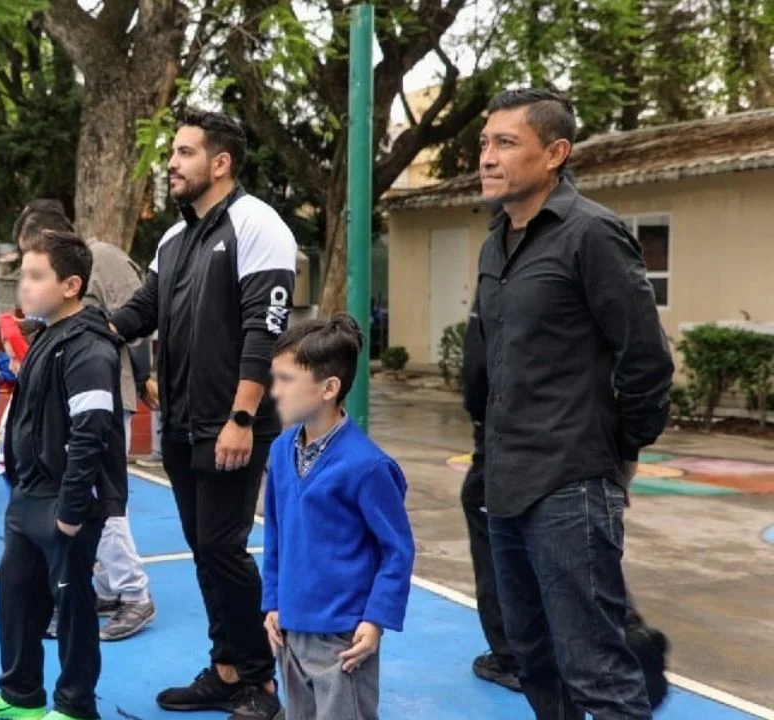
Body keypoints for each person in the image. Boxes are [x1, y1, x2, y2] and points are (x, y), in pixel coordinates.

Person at [475, 88, 675, 719]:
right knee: (533, 659)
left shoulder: (592, 233)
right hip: (505, 483)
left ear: (555, 153)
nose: (486, 156)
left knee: (597, 671)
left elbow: (646, 359)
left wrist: (619, 456)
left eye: (506, 143)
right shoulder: (495, 241)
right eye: (484, 142)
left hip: (571, 484)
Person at [109, 108, 296, 720]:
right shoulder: (174, 237)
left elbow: (262, 332)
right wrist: (86, 329)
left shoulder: (257, 224)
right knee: (202, 546)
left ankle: (260, 683)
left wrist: (242, 419)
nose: (171, 163)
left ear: (220, 163)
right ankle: (225, 668)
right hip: (184, 421)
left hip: (233, 423)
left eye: (184, 152)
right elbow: (142, 309)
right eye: (173, 152)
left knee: (222, 546)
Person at [461, 268, 672, 706]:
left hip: (529, 442)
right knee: (565, 563)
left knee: (588, 659)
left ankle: (509, 653)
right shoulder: (501, 251)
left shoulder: (582, 239)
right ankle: (623, 626)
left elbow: (645, 358)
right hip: (535, 445)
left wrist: (626, 449)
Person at [0, 230, 125, 720]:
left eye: (36, 276)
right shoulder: (47, 337)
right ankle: (19, 694)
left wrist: (72, 512)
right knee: (15, 598)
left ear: (71, 284)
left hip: (65, 503)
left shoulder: (90, 349)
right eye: (23, 275)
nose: (23, 287)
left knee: (72, 608)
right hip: (28, 495)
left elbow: (91, 433)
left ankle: (74, 706)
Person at [13, 200, 158, 642]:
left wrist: (145, 373)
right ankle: (104, 587)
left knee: (100, 496)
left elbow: (134, 315)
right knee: (79, 498)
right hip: (67, 398)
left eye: (36, 271)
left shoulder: (105, 258)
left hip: (103, 389)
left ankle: (135, 594)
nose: (27, 283)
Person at [262, 315, 414, 720]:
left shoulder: (367, 467)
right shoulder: (280, 451)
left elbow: (397, 550)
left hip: (343, 639)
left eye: (286, 380)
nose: (274, 391)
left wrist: (376, 620)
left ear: (330, 388)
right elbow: (275, 533)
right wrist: (273, 601)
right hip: (290, 630)